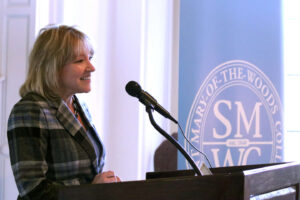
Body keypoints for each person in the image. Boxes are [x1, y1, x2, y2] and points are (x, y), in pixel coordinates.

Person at [7, 25, 120, 200]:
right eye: (80, 61)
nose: (91, 67)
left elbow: (88, 173)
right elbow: (33, 190)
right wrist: (92, 190)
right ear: (53, 66)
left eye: (90, 58)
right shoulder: (30, 110)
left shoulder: (79, 106)